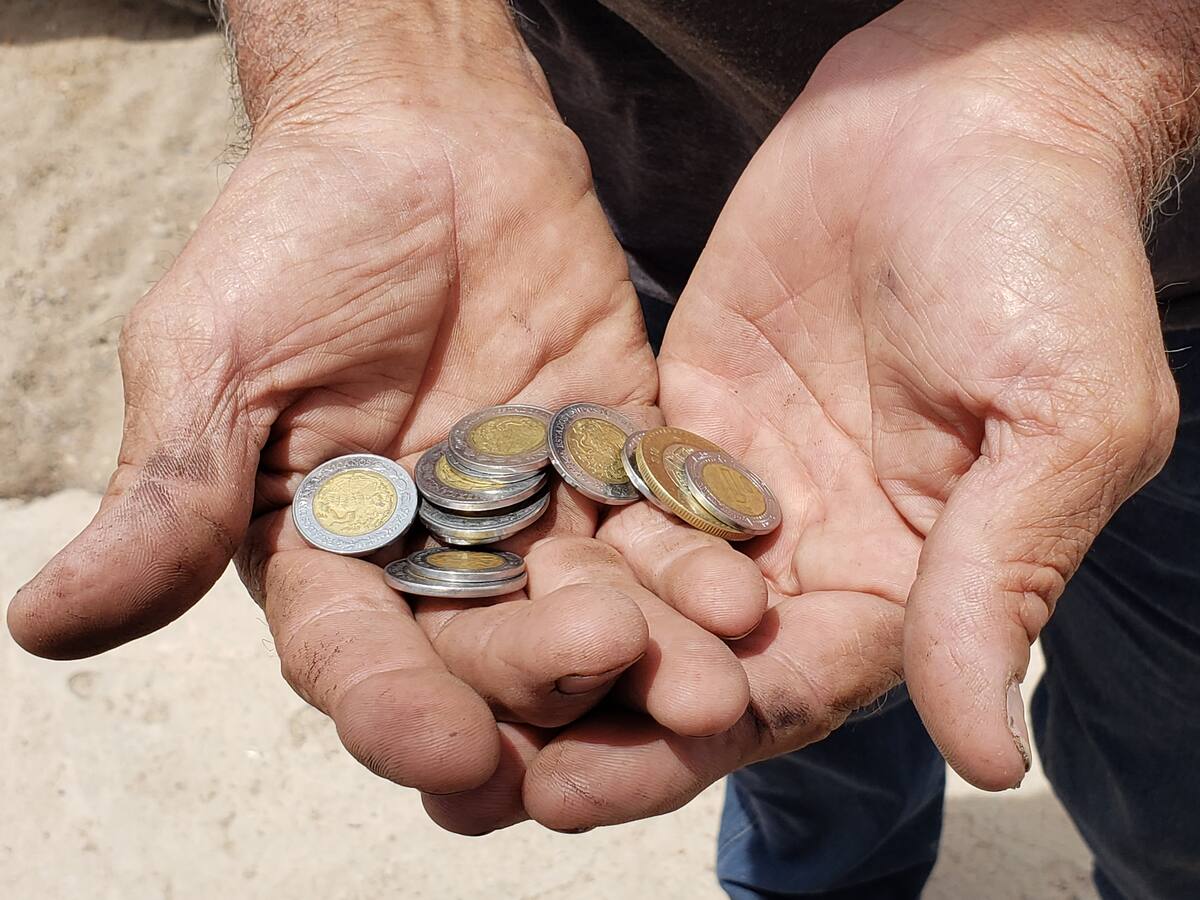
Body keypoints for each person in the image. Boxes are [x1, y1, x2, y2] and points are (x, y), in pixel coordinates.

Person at [8, 1, 1199, 897]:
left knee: (1170, 783)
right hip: (593, 234)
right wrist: (382, 62)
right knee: (770, 699)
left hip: (1133, 276)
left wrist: (1086, 73)